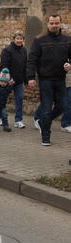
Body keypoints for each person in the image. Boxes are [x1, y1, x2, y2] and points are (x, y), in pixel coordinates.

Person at [26, 14, 71, 146]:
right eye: (51, 23)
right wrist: (30, 77)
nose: (54, 25)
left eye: (56, 23)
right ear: (47, 24)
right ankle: (46, 137)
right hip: (45, 80)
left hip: (60, 79)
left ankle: (42, 122)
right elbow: (32, 59)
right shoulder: (39, 40)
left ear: (60, 23)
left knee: (62, 106)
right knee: (46, 108)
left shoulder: (67, 39)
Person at [0, 30, 28, 129]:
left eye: (21, 39)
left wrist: (25, 80)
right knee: (2, 99)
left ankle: (18, 120)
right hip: (8, 80)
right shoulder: (7, 50)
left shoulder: (24, 50)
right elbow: (3, 66)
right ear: (14, 39)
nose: (19, 40)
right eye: (17, 38)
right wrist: (8, 78)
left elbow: (25, 66)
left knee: (19, 99)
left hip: (19, 81)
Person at [60, 24, 71, 133]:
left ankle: (65, 123)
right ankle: (37, 117)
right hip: (58, 77)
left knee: (69, 101)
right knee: (52, 99)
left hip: (68, 78)